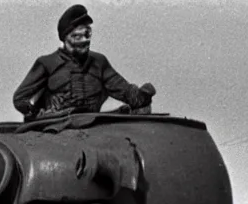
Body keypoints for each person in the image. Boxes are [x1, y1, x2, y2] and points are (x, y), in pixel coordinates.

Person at [13, 5, 156, 120]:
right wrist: (40, 115)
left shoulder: (99, 62)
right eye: (77, 36)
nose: (84, 40)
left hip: (92, 128)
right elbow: (20, 99)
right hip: (55, 129)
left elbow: (123, 90)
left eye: (87, 34)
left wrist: (141, 97)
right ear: (65, 38)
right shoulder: (47, 63)